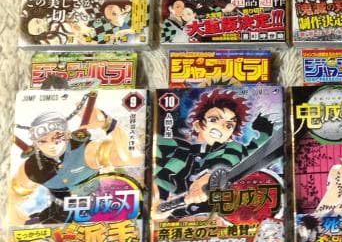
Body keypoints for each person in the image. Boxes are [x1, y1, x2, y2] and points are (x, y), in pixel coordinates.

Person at [9, 96, 141, 225]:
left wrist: (109, 124)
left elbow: (130, 157)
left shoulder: (87, 150)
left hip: (101, 210)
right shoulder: (32, 167)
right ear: (35, 143)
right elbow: (11, 198)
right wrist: (25, 223)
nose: (51, 145)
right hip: (57, 220)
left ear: (67, 134)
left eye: (57, 137)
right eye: (43, 141)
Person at [153, 88, 276, 219]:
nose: (222, 126)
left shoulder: (233, 149)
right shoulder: (176, 148)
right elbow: (151, 154)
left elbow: (257, 144)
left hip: (217, 222)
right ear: (197, 125)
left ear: (229, 135)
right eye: (214, 119)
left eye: (229, 125)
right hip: (172, 221)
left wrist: (210, 178)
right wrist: (157, 198)